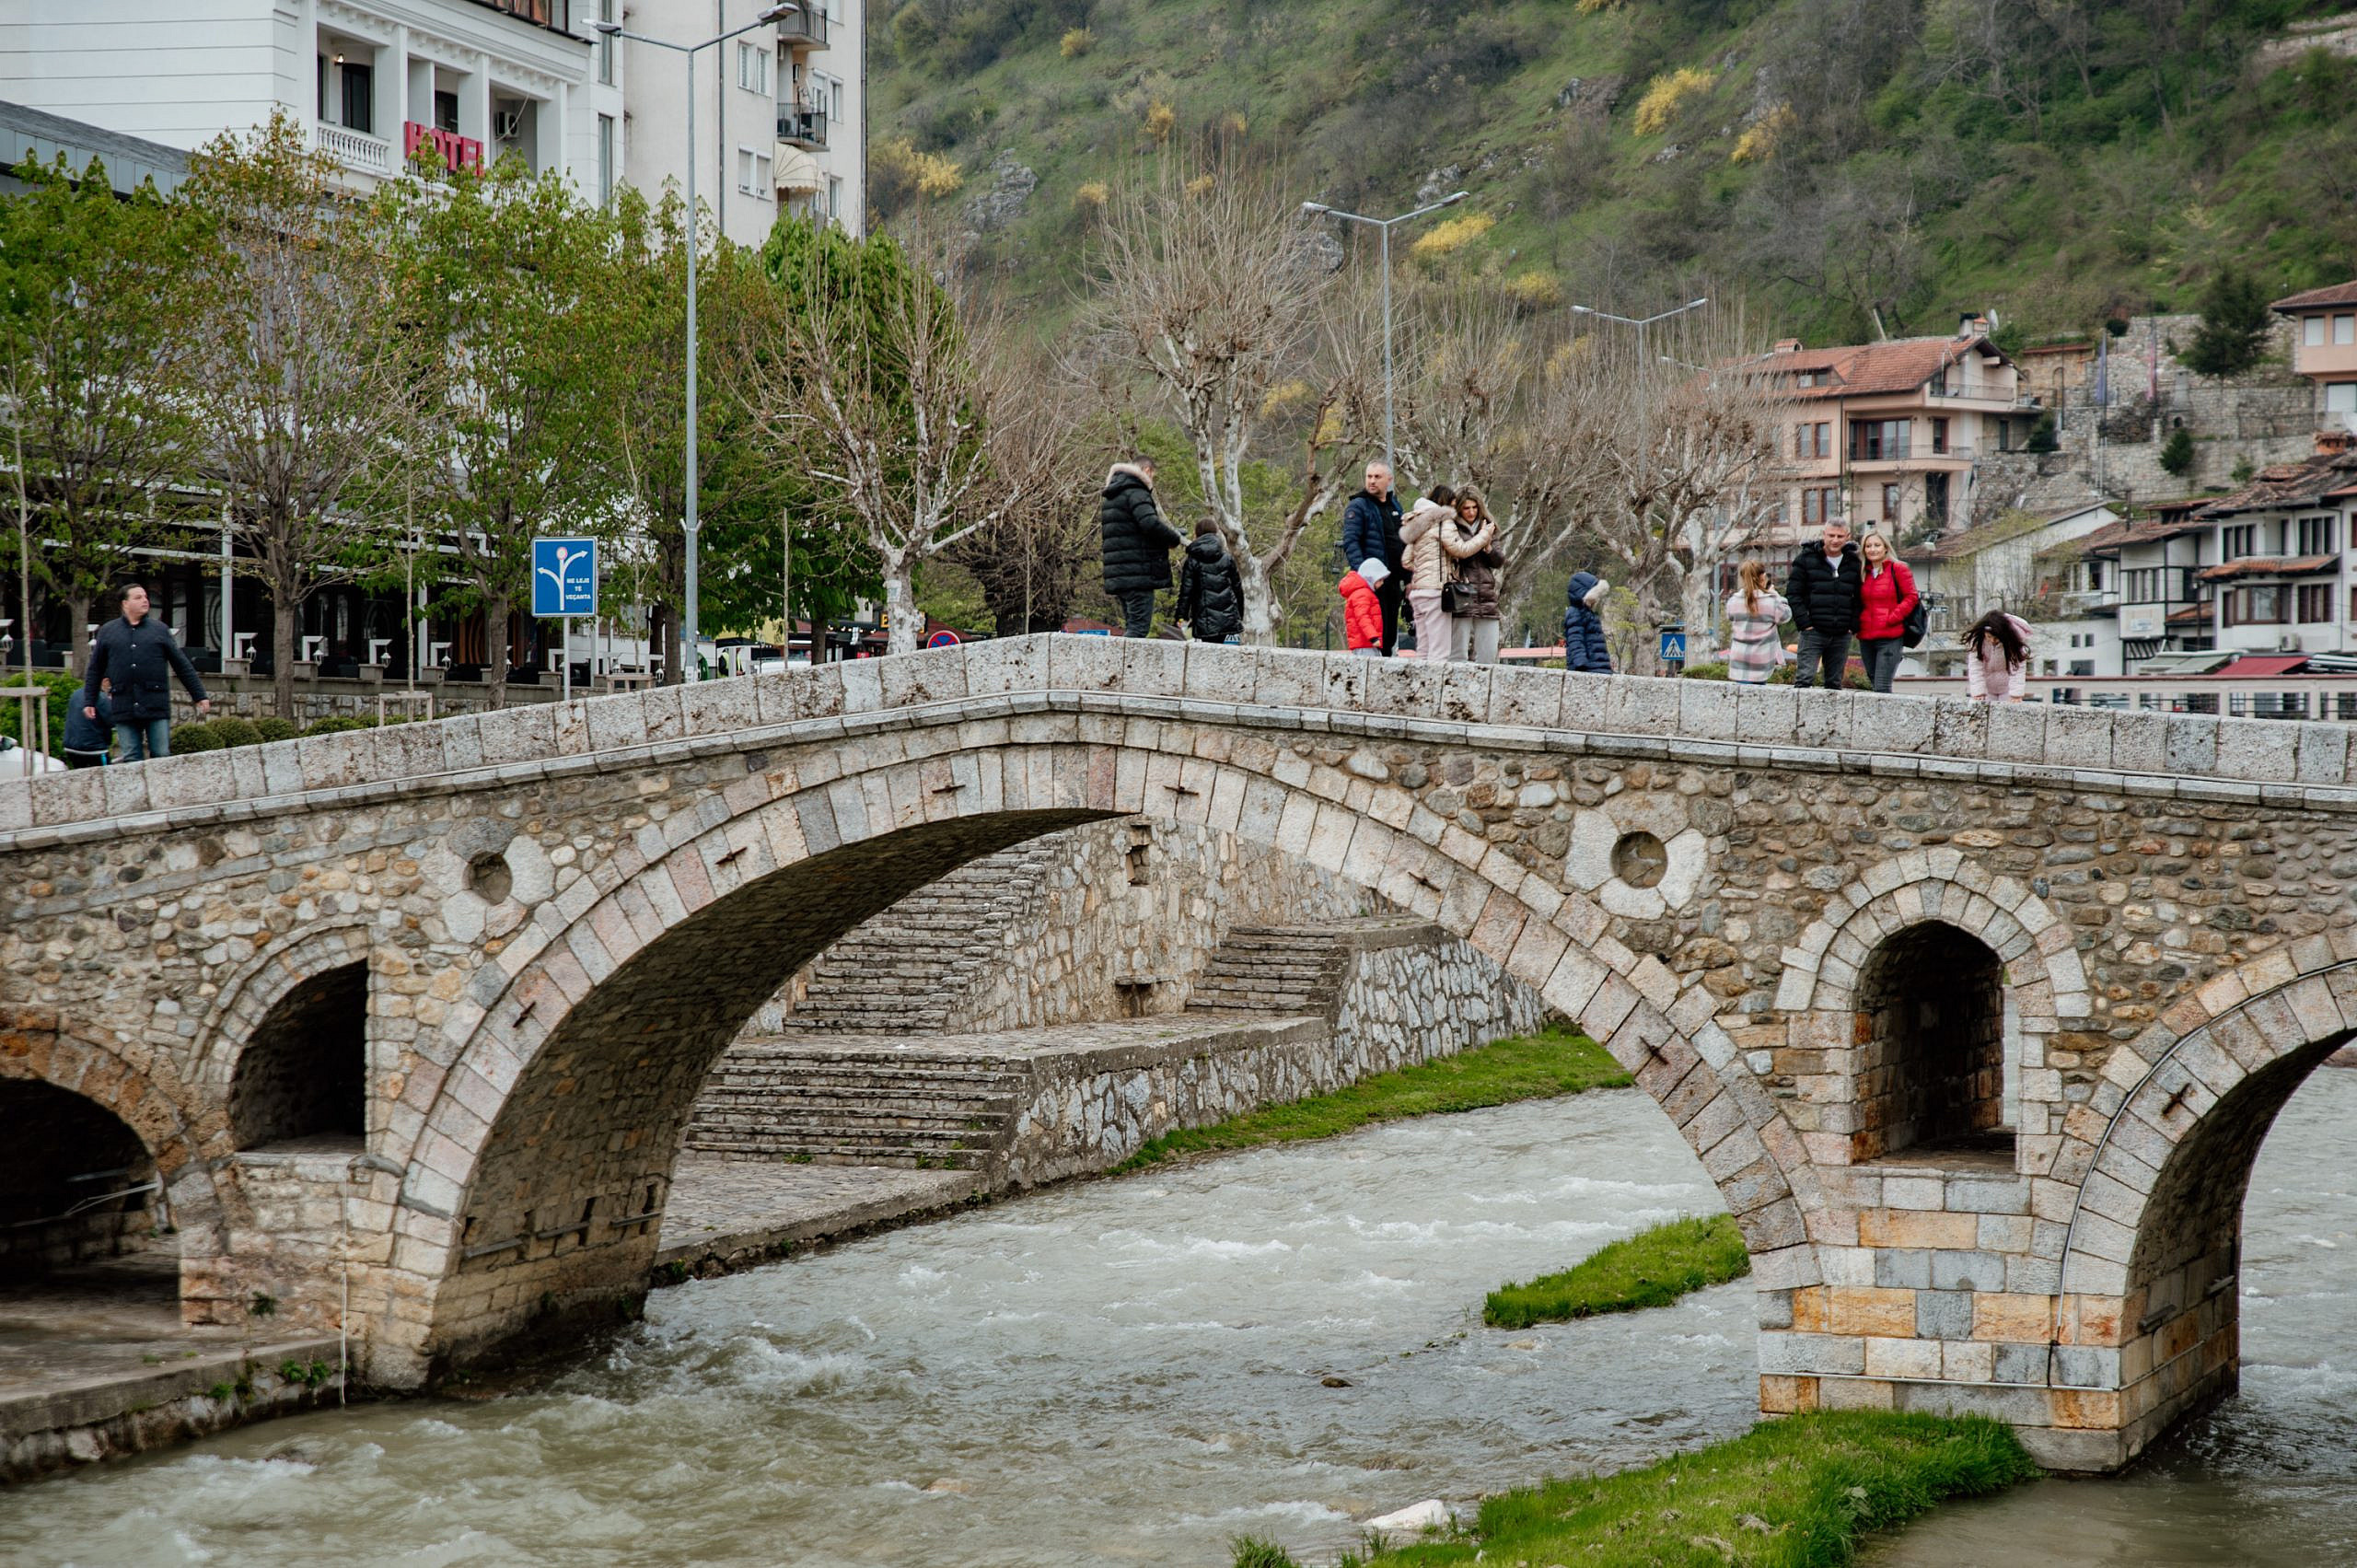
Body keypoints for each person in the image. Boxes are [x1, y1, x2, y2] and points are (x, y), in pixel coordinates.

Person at [81, 583, 209, 761]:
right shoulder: (108, 632)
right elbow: (95, 669)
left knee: (162, 756)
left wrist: (199, 695)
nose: (145, 601)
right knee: (132, 757)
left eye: (146, 597)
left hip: (155, 703)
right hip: (124, 704)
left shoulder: (160, 630)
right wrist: (89, 700)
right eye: (138, 597)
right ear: (125, 603)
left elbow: (181, 664)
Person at [1099, 456, 1184, 640]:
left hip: (1120, 573)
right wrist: (1173, 538)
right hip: (1138, 573)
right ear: (1147, 471)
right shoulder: (1136, 492)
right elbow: (1150, 524)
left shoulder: (1113, 495)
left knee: (1132, 626)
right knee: (1138, 630)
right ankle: (1122, 667)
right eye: (1153, 475)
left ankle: (1121, 666)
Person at [1785, 517, 1863, 690]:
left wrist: (1852, 625)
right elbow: (1793, 593)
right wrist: (1804, 623)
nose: (1835, 540)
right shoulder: (1806, 559)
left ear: (1847, 537)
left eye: (1840, 536)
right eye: (1831, 535)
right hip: (1813, 631)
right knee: (1804, 679)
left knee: (1834, 683)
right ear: (1823, 535)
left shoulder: (1854, 563)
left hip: (1842, 632)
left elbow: (1859, 597)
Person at [1341, 459, 1407, 655]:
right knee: (1373, 634)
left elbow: (1402, 542)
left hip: (1393, 581)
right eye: (1369, 476)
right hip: (1372, 584)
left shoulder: (1395, 505)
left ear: (1389, 479)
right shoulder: (1358, 506)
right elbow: (1350, 542)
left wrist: (1409, 578)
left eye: (1377, 477)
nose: (1372, 481)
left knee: (1390, 635)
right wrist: (1365, 577)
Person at [1444, 487, 1504, 665]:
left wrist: (1488, 548)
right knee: (1457, 655)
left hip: (1486, 594)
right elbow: (1458, 553)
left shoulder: (1489, 526)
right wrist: (1478, 541)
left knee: (1489, 654)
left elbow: (1499, 561)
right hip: (1460, 593)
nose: (1471, 512)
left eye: (1474, 507)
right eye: (1466, 508)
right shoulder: (1451, 527)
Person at [1854, 531, 1919, 694]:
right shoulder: (1863, 573)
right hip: (1866, 636)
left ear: (1885, 548)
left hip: (1890, 636)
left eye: (1877, 545)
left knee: (1882, 685)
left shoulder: (1898, 569)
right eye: (1868, 546)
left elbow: (1911, 597)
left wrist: (1893, 617)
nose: (1872, 550)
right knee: (1872, 681)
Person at [1399, 483, 1457, 661]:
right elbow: (1458, 549)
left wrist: (1423, 569)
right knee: (1440, 651)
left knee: (1423, 650)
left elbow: (1406, 560)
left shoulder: (1417, 525)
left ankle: (1420, 687)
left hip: (1418, 592)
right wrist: (1483, 537)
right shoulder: (1441, 524)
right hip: (1434, 590)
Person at [1175, 519, 1244, 643]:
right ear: (1216, 533)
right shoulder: (1227, 558)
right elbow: (1238, 589)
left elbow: (1186, 593)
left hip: (1204, 621)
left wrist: (1181, 617)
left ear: (1197, 534)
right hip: (1228, 621)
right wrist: (1239, 616)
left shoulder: (1192, 560)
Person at [1724, 562, 1790, 685]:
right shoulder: (1771, 602)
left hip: (1739, 659)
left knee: (1741, 699)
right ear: (1762, 577)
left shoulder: (1733, 601)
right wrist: (1775, 595)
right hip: (1761, 660)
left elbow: (1730, 616)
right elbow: (1785, 616)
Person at [1964, 610, 2034, 703]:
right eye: (1989, 637)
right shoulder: (1977, 643)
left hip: (2007, 688)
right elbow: (1975, 668)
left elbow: (2017, 669)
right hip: (1987, 688)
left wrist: (2016, 694)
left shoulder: (2013, 644)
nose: (1993, 641)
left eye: (1996, 638)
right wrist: (1978, 692)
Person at [1562, 571, 1613, 674]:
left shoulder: (1589, 614)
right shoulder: (1575, 613)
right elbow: (1575, 639)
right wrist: (1580, 663)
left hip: (1599, 668)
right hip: (1589, 668)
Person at [1338, 562, 1386, 656]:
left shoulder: (1363, 593)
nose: (1382, 583)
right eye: (1380, 579)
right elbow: (1362, 617)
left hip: (1365, 644)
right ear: (1371, 578)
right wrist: (1373, 637)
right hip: (1365, 645)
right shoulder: (1363, 594)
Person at [62, 686, 112, 769]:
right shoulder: (101, 697)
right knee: (106, 776)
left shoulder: (76, 693)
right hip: (94, 749)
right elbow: (112, 721)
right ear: (105, 681)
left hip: (71, 747)